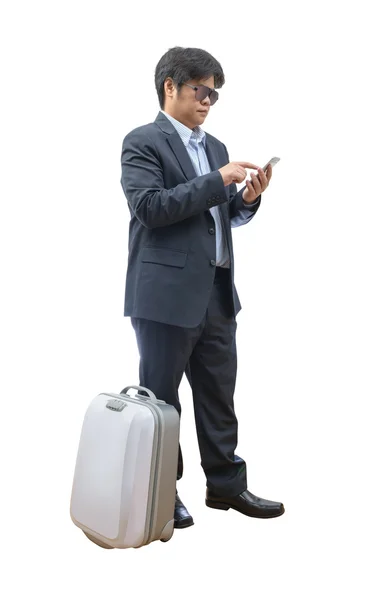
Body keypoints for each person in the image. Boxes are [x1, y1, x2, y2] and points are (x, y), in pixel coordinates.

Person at [120, 46, 284, 527]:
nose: (209, 100)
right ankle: (161, 492)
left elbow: (216, 217)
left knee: (218, 395)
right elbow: (150, 208)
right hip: (164, 296)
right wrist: (217, 181)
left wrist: (246, 200)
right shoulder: (142, 141)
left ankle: (226, 488)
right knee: (162, 400)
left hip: (215, 293)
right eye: (202, 89)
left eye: (215, 93)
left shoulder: (215, 148)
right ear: (170, 87)